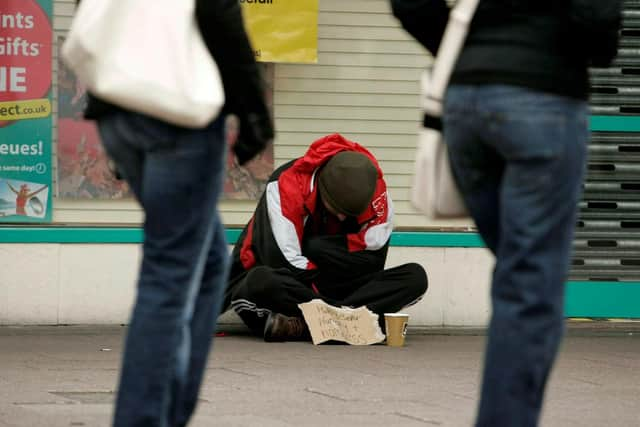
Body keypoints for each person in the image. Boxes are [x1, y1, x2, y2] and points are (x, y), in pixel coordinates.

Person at [391, 0, 622, 425]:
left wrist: (471, 51)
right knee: (529, 287)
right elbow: (599, 23)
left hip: (466, 104)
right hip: (542, 101)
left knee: (520, 274)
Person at [75, 0, 274, 425]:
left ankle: (169, 411)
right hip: (176, 111)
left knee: (206, 262)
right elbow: (218, 8)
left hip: (118, 106)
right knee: (168, 273)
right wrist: (253, 105)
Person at [223, 133, 428, 342]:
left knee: (415, 277)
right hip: (294, 283)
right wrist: (333, 306)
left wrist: (330, 291)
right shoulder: (285, 186)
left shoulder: (376, 195)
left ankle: (308, 327)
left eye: (350, 214)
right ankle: (349, 324)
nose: (341, 217)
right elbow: (284, 263)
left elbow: (369, 262)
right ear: (321, 187)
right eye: (336, 208)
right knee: (260, 281)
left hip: (335, 285)